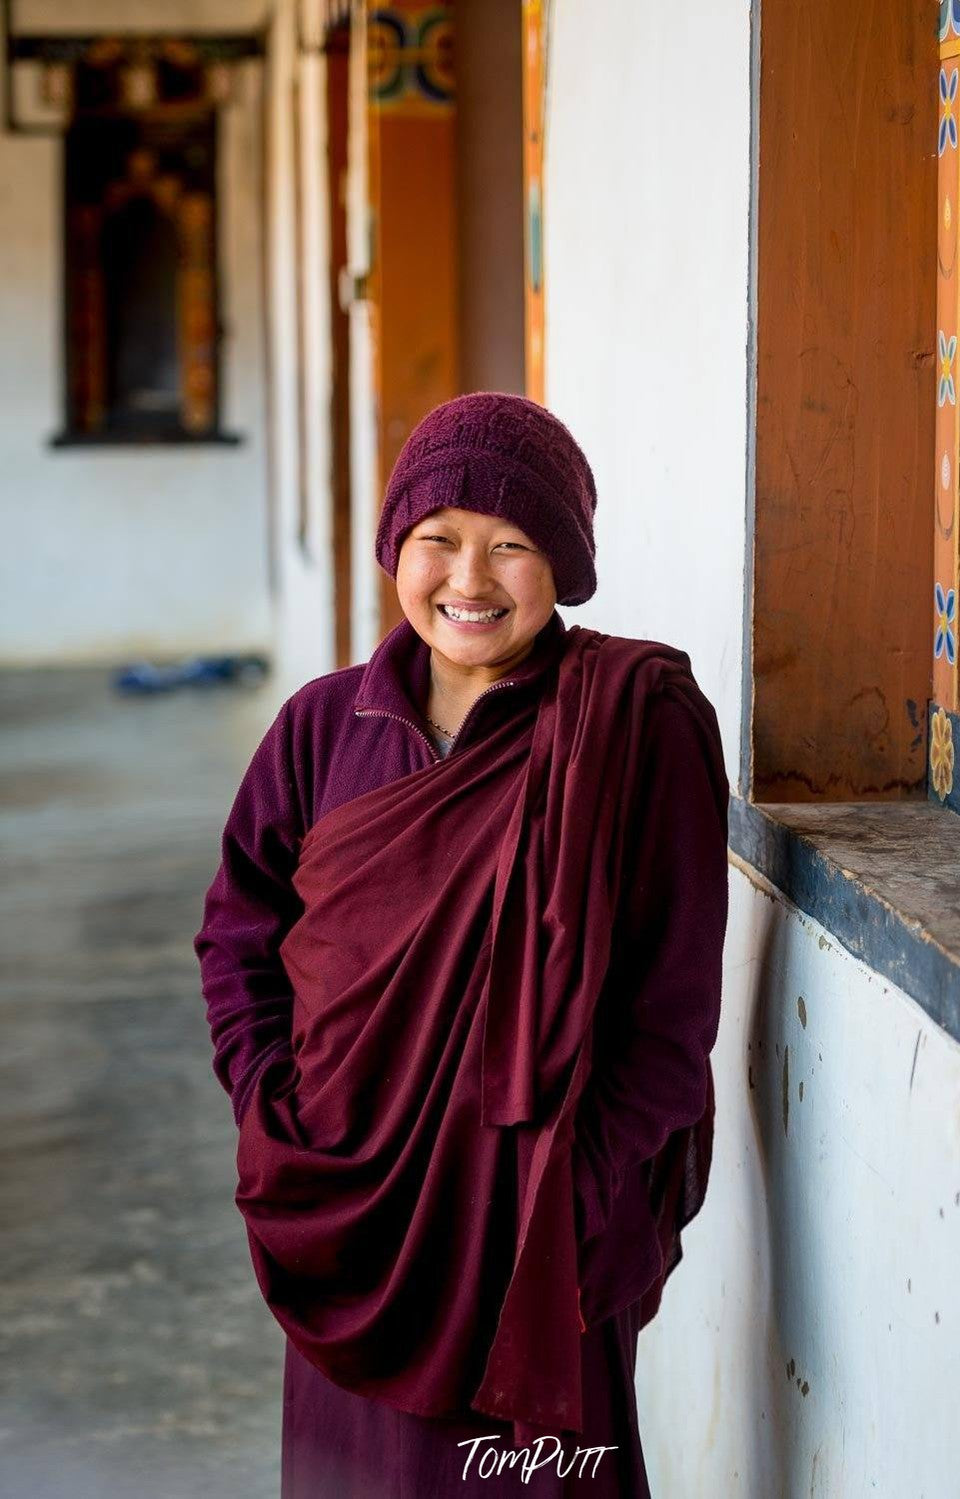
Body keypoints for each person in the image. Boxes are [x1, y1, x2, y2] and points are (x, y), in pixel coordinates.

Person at [194, 391, 729, 1497]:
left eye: (513, 544)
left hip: (534, 1230)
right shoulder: (319, 725)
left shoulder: (631, 723)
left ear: (567, 561)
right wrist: (272, 1110)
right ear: (398, 544)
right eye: (438, 539)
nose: (470, 581)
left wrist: (575, 1191)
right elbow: (240, 932)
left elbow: (672, 1007)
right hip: (345, 1206)